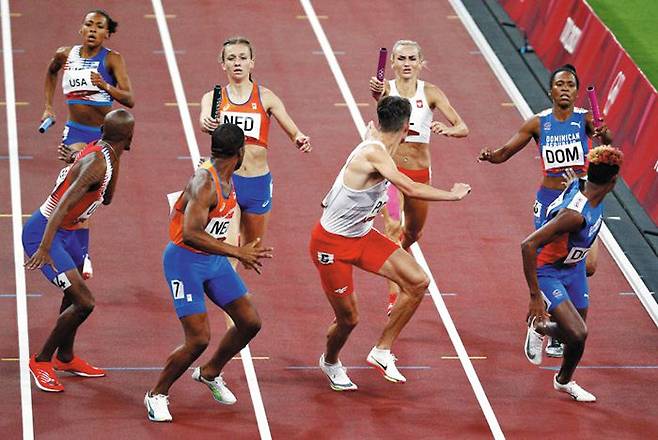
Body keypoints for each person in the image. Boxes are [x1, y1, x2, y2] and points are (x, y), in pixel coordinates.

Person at [310, 96, 471, 391]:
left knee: (418, 282)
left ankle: (382, 350)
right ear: (408, 127)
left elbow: (374, 138)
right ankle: (330, 361)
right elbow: (409, 187)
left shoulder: (377, 143)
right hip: (331, 245)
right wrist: (453, 194)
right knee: (348, 319)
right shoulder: (375, 154)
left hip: (361, 235)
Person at [478, 64, 613, 357]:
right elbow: (506, 151)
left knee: (587, 265)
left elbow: (607, 148)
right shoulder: (538, 123)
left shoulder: (585, 120)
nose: (565, 89)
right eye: (560, 84)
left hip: (580, 200)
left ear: (577, 92)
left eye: (570, 85)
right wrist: (492, 156)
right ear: (550, 90)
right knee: (551, 260)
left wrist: (605, 135)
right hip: (551, 203)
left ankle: (553, 318)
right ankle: (545, 320)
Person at [145, 124, 273, 423]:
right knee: (198, 339)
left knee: (249, 322)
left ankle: (210, 371)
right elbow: (190, 233)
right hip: (184, 261)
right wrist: (237, 251)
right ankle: (157, 394)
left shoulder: (226, 174)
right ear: (239, 153)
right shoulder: (205, 183)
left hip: (211, 259)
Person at [23, 109, 135, 393]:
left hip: (71, 232)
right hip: (46, 231)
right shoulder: (97, 163)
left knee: (73, 293)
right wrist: (44, 248)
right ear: (129, 136)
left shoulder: (106, 155)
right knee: (84, 302)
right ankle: (41, 360)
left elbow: (107, 198)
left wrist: (112, 154)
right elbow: (60, 208)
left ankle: (65, 357)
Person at [369, 40, 469, 313]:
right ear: (392, 63)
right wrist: (377, 93)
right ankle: (394, 295)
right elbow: (379, 98)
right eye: (401, 58)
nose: (406, 63)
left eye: (412, 58)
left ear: (421, 62)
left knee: (412, 232)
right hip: (389, 172)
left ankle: (398, 255)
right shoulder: (386, 88)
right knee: (391, 228)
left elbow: (463, 127)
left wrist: (448, 130)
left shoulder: (432, 93)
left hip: (419, 173)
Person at [522, 145, 623, 402]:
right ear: (614, 181)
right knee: (578, 334)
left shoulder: (587, 186)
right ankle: (539, 325)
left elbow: (576, 182)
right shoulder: (573, 216)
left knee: (576, 334)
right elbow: (528, 245)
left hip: (574, 268)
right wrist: (535, 297)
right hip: (548, 271)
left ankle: (563, 381)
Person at [42, 9, 135, 279]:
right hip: (74, 132)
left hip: (104, 136)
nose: (93, 30)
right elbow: (50, 73)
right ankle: (76, 253)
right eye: (89, 25)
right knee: (73, 190)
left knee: (95, 195)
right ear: (81, 29)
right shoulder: (65, 55)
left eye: (99, 27)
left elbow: (129, 99)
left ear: (107, 34)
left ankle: (80, 251)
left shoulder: (113, 60)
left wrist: (105, 86)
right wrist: (48, 107)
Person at [199, 36, 311, 250]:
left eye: (243, 57)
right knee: (229, 249)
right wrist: (206, 122)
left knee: (252, 249)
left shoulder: (266, 97)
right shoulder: (213, 98)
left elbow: (293, 130)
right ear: (223, 65)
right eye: (231, 58)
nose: (237, 62)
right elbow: (204, 121)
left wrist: (299, 139)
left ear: (252, 63)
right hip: (226, 182)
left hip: (257, 182)